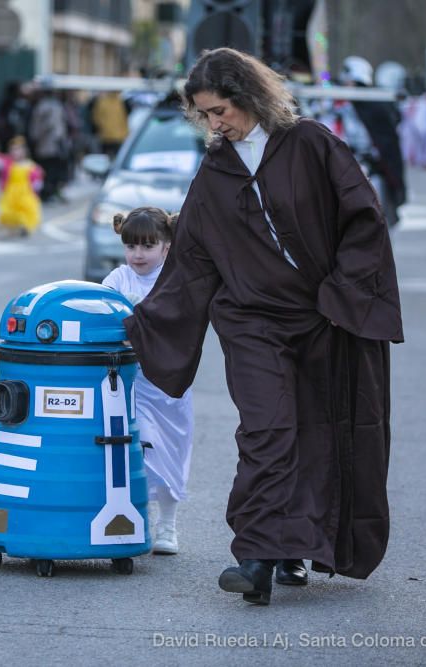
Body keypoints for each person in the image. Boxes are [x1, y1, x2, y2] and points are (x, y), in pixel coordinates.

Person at [124, 48, 403, 606]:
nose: (214, 123)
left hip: (323, 315)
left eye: (221, 109)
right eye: (204, 114)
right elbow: (194, 260)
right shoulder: (216, 169)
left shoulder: (312, 144)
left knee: (321, 431)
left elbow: (363, 220)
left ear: (250, 97)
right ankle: (255, 555)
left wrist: (342, 293)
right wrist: (141, 325)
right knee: (267, 430)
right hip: (251, 321)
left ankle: (294, 548)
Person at [102, 207, 194, 556]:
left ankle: (167, 526)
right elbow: (99, 313)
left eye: (147, 246)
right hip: (126, 381)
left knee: (169, 452)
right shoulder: (117, 279)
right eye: (131, 246)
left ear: (166, 246)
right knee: (134, 449)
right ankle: (131, 519)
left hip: (168, 382)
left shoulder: (177, 280)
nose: (137, 255)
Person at [339, 56, 407, 229]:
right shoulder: (343, 106)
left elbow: (385, 142)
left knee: (377, 216)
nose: (346, 86)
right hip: (344, 166)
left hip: (370, 168)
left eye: (350, 82)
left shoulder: (374, 107)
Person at [0, 135, 44, 237]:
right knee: (8, 216)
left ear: (24, 151)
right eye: (13, 150)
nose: (15, 152)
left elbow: (37, 183)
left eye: (18, 150)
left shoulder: (31, 166)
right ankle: (4, 230)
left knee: (24, 216)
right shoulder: (8, 164)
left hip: (25, 197)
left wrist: (36, 192)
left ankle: (22, 229)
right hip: (10, 196)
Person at [28, 88, 71, 203]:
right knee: (49, 170)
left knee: (49, 170)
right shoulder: (54, 106)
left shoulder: (43, 106)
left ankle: (49, 193)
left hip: (49, 144)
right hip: (52, 144)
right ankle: (48, 193)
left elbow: (36, 128)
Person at [91, 90, 130, 158]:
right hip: (119, 136)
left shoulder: (101, 102)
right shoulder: (121, 102)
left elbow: (96, 118)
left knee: (106, 159)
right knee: (118, 157)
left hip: (106, 136)